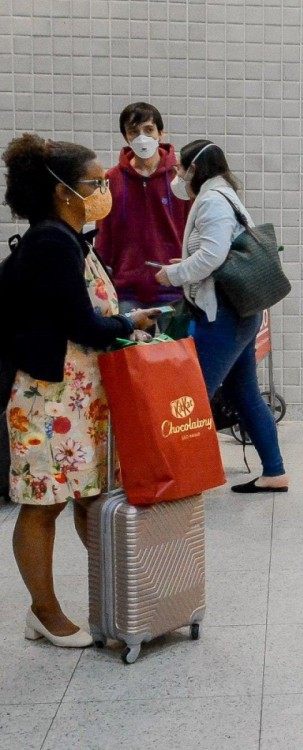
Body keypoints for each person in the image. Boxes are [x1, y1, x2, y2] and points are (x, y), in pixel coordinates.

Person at [1, 134, 158, 647]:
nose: (103, 190)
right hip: (47, 400)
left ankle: (115, 597)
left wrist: (123, 320)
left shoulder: (70, 239)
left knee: (89, 499)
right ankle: (43, 613)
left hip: (77, 400)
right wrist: (128, 322)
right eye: (94, 183)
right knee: (44, 503)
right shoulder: (50, 242)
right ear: (63, 191)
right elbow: (82, 324)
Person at [153, 140, 290, 492]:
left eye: (181, 169)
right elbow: (219, 251)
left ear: (195, 169)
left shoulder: (213, 200)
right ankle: (274, 471)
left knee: (194, 396)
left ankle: (185, 480)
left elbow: (213, 256)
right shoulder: (223, 194)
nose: (178, 176)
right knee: (244, 392)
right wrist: (184, 265)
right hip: (238, 312)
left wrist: (175, 274)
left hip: (224, 316)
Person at [93, 102, 190, 322]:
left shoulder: (180, 177)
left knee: (175, 355)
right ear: (125, 137)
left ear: (161, 133)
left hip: (174, 288)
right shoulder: (112, 179)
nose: (141, 137)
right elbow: (104, 235)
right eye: (134, 132)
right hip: (127, 291)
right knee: (130, 356)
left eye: (148, 130)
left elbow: (195, 226)